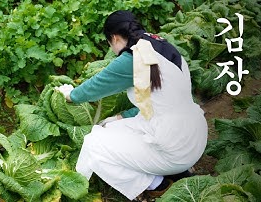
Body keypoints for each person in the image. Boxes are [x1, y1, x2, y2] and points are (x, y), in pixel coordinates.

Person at [56, 10, 208, 200]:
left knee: (93, 144)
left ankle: (156, 184)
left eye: (109, 44)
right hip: (193, 137)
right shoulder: (161, 44)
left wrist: (70, 94)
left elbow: (95, 87)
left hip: (176, 148)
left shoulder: (134, 58)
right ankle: (178, 171)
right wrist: (121, 116)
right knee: (110, 126)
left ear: (114, 38)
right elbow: (161, 99)